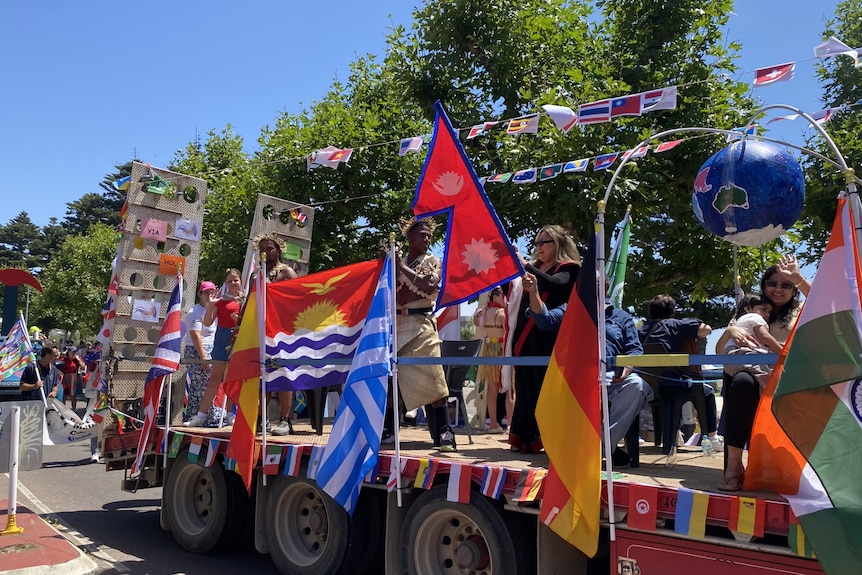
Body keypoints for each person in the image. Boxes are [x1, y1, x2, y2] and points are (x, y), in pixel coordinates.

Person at [715, 254, 810, 492]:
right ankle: (735, 466)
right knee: (742, 382)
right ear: (763, 286)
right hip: (754, 375)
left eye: (786, 285)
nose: (778, 289)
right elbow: (722, 352)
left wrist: (798, 278)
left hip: (791, 376)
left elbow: (831, 304)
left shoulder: (801, 308)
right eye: (772, 283)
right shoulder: (749, 310)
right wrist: (730, 331)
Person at [527, 295, 653, 466]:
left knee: (637, 385)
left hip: (611, 376)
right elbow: (544, 320)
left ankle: (598, 449)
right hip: (576, 375)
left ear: (606, 287)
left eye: (598, 282)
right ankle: (590, 451)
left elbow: (635, 351)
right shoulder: (571, 309)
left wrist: (627, 367)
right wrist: (534, 292)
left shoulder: (622, 317)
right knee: (554, 386)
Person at [382, 217, 456, 452]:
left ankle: (445, 432)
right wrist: (390, 263)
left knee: (434, 378)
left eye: (428, 236)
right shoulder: (397, 260)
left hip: (422, 324)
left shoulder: (433, 261)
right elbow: (389, 290)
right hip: (397, 324)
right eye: (422, 235)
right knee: (392, 381)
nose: (426, 239)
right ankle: (389, 430)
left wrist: (400, 269)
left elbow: (428, 287)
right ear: (409, 238)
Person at [508, 225, 580, 454]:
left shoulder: (570, 268)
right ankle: (524, 439)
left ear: (558, 244)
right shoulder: (534, 268)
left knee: (543, 388)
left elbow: (555, 284)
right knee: (524, 386)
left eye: (544, 242)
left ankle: (548, 439)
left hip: (550, 336)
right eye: (537, 243)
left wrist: (524, 266)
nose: (539, 247)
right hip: (525, 334)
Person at [638, 294, 722, 449]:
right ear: (672, 311)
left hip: (646, 388)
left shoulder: (640, 330)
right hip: (672, 386)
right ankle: (712, 437)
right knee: (707, 392)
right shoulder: (674, 325)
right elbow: (706, 330)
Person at [184, 268, 245, 428]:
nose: (233, 283)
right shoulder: (220, 301)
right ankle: (200, 416)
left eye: (235, 280)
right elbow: (207, 322)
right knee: (214, 380)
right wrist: (211, 305)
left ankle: (231, 415)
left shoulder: (245, 301)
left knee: (233, 380)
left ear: (241, 281)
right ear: (225, 283)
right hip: (222, 340)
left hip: (240, 340)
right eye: (230, 280)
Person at [254, 233, 299, 436]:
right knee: (263, 375)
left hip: (282, 331)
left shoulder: (287, 272)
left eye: (269, 248)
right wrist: (238, 328)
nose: (265, 251)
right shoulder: (257, 274)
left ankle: (285, 419)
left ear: (278, 250)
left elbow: (299, 298)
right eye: (262, 248)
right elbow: (249, 302)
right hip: (261, 331)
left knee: (283, 374)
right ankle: (263, 418)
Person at [472, 286, 513, 433]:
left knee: (492, 388)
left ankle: (493, 424)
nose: (505, 299)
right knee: (509, 388)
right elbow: (509, 331)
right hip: (502, 350)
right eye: (503, 296)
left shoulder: (482, 312)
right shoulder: (502, 314)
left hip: (488, 349)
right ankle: (510, 424)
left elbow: (476, 323)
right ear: (496, 297)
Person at [722, 294, 784, 389]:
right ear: (748, 309)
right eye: (763, 309)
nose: (767, 315)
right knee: (769, 380)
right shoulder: (754, 317)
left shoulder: (740, 323)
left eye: (769, 312)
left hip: (731, 360)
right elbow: (765, 337)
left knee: (766, 374)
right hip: (743, 354)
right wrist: (784, 353)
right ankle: (769, 400)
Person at [183, 280, 218, 421]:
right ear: (200, 294)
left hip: (212, 349)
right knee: (201, 386)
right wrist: (203, 356)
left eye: (212, 291)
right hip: (198, 351)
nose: (209, 295)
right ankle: (201, 417)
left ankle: (202, 416)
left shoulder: (215, 310)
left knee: (208, 385)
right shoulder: (194, 312)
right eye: (206, 292)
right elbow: (195, 335)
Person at [58, 345, 85, 410]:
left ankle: (73, 409)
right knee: (64, 395)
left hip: (73, 377)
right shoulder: (64, 359)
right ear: (69, 352)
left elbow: (83, 367)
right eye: (72, 352)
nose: (74, 353)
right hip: (65, 377)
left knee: (73, 396)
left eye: (75, 352)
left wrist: (78, 360)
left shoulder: (76, 360)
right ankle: (62, 409)